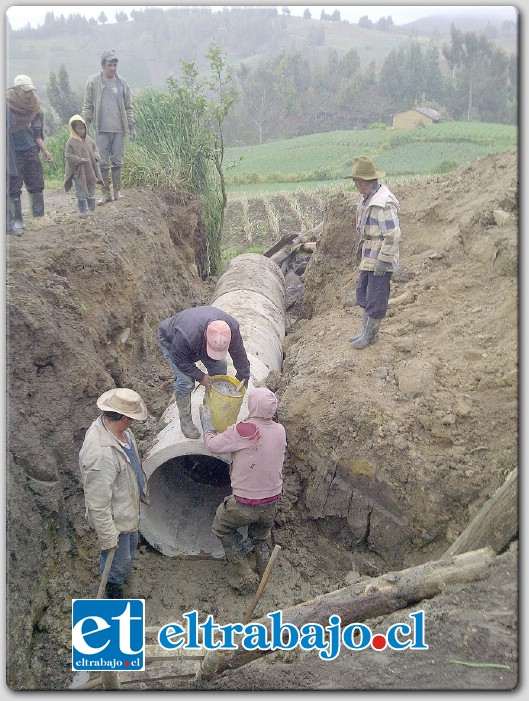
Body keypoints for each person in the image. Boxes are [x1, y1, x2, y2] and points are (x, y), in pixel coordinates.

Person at [199, 387, 286, 594]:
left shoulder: (242, 430)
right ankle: (265, 573)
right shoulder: (280, 430)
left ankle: (244, 575)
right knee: (261, 535)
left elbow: (213, 446)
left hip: (244, 504)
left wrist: (208, 428)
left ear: (252, 406)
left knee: (222, 528)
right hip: (272, 502)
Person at [78, 388, 150, 599]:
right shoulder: (100, 454)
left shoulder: (123, 433)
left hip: (128, 510)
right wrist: (109, 537)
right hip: (116, 521)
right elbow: (97, 503)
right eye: (133, 418)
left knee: (128, 554)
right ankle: (113, 591)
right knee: (117, 563)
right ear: (125, 418)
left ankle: (121, 577)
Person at [157, 306, 251, 439]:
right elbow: (179, 359)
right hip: (171, 342)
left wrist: (243, 376)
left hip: (197, 344)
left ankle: (209, 406)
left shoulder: (231, 329)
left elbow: (239, 353)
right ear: (207, 338)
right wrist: (200, 376)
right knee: (186, 382)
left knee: (220, 367)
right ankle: (186, 422)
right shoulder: (187, 336)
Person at [345, 156, 401, 349]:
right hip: (369, 254)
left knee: (376, 297)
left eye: (356, 182)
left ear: (364, 182)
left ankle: (370, 335)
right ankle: (365, 332)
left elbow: (393, 235)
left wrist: (383, 261)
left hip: (379, 256)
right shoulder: (368, 199)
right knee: (364, 293)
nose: (355, 186)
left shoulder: (383, 203)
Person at [82, 49, 136, 204]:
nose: (113, 68)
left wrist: (132, 127)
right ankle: (105, 193)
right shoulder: (93, 82)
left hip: (119, 129)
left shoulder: (122, 83)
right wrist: (85, 124)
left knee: (118, 161)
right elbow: (88, 105)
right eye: (110, 65)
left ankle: (117, 191)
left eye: (115, 65)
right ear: (103, 65)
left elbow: (128, 107)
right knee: (102, 162)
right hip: (102, 130)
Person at [6, 75, 53, 229]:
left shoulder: (34, 108)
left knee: (36, 183)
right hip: (12, 152)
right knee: (14, 186)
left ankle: (39, 217)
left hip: (30, 149)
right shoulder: (7, 106)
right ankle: (17, 220)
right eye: (26, 91)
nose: (29, 94)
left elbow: (37, 132)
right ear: (17, 90)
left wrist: (44, 150)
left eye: (31, 91)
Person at [64, 114, 103, 218]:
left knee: (91, 191)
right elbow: (68, 156)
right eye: (79, 129)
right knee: (80, 193)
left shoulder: (89, 140)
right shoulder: (71, 142)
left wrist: (96, 156)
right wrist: (78, 160)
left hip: (90, 171)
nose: (82, 131)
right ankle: (82, 211)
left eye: (83, 128)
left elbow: (95, 148)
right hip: (79, 172)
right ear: (73, 129)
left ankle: (92, 210)